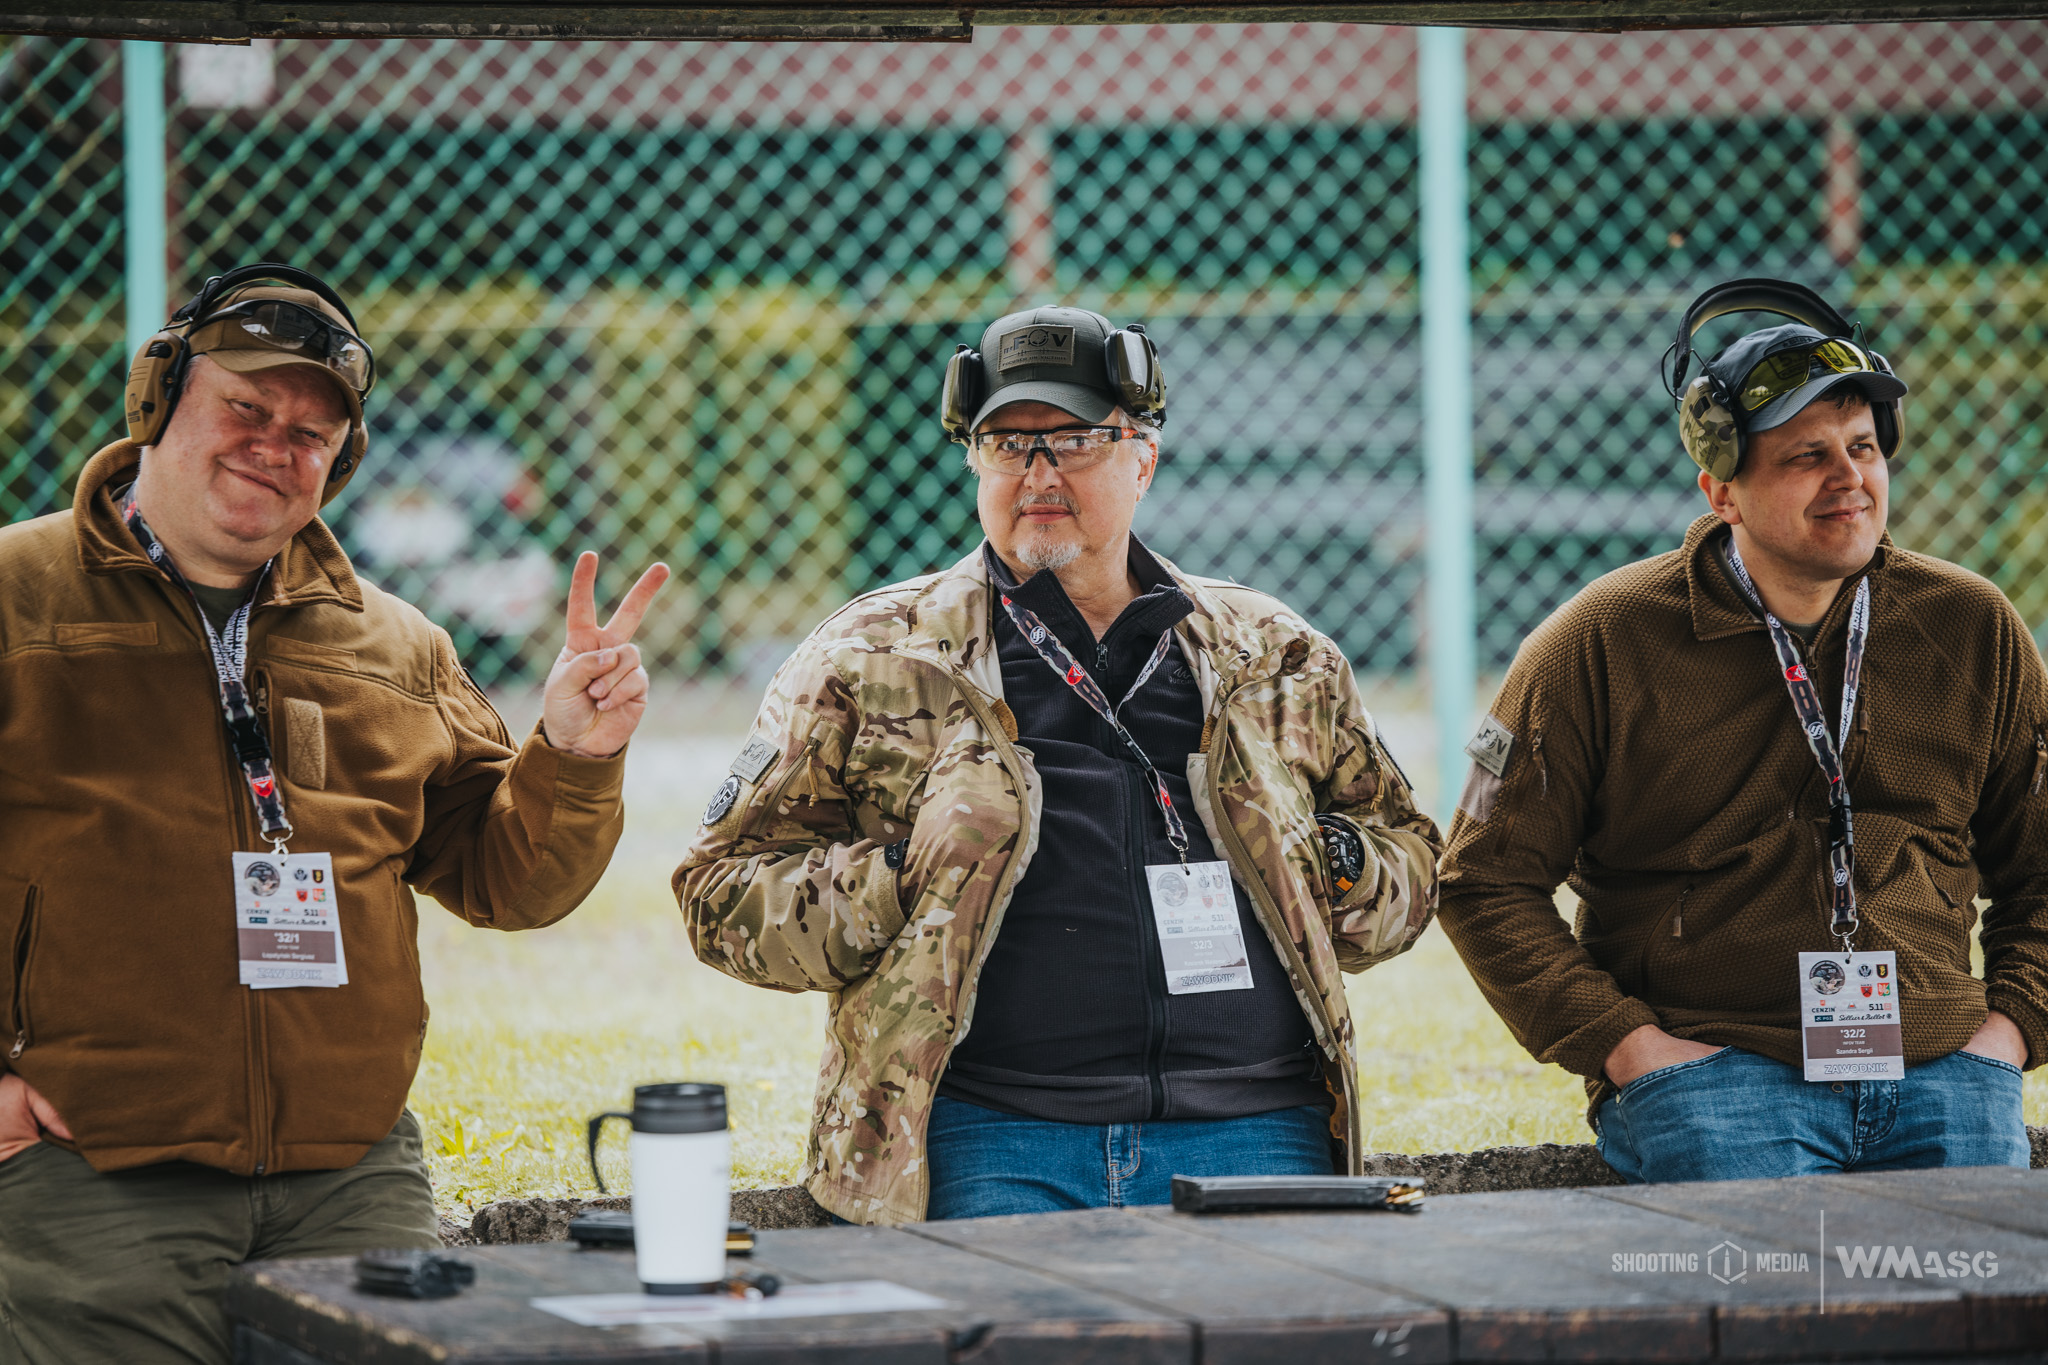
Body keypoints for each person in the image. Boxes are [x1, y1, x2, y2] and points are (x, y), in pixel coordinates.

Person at [0, 264, 669, 1363]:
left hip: (349, 1177)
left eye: (314, 434)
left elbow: (511, 879)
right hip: (91, 1175)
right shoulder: (18, 597)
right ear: (160, 402)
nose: (277, 444)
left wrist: (572, 754)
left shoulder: (396, 645)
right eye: (247, 408)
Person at [677, 306, 1440, 1225]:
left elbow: (1411, 859)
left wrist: (1334, 866)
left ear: (1143, 458)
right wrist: (896, 882)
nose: (1037, 473)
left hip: (1255, 1123)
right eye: (1006, 444)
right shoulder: (875, 658)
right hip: (990, 1129)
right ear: (974, 464)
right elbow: (717, 891)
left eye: (1072, 440)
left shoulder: (1271, 654)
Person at [1438, 279, 2043, 1183]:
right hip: (1715, 1076)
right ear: (1721, 488)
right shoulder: (1598, 640)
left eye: (1865, 447)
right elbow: (1483, 882)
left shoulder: (1971, 625)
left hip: (1945, 1068)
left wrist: (2012, 1029)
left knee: (1980, 1317)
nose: (1851, 479)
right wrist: (1629, 1047)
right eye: (1807, 456)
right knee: (1764, 1312)